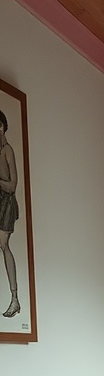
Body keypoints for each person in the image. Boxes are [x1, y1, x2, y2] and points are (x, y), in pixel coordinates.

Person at [0, 108, 20, 318]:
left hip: (6, 203)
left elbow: (12, 185)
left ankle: (15, 298)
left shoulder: (8, 150)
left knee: (4, 245)